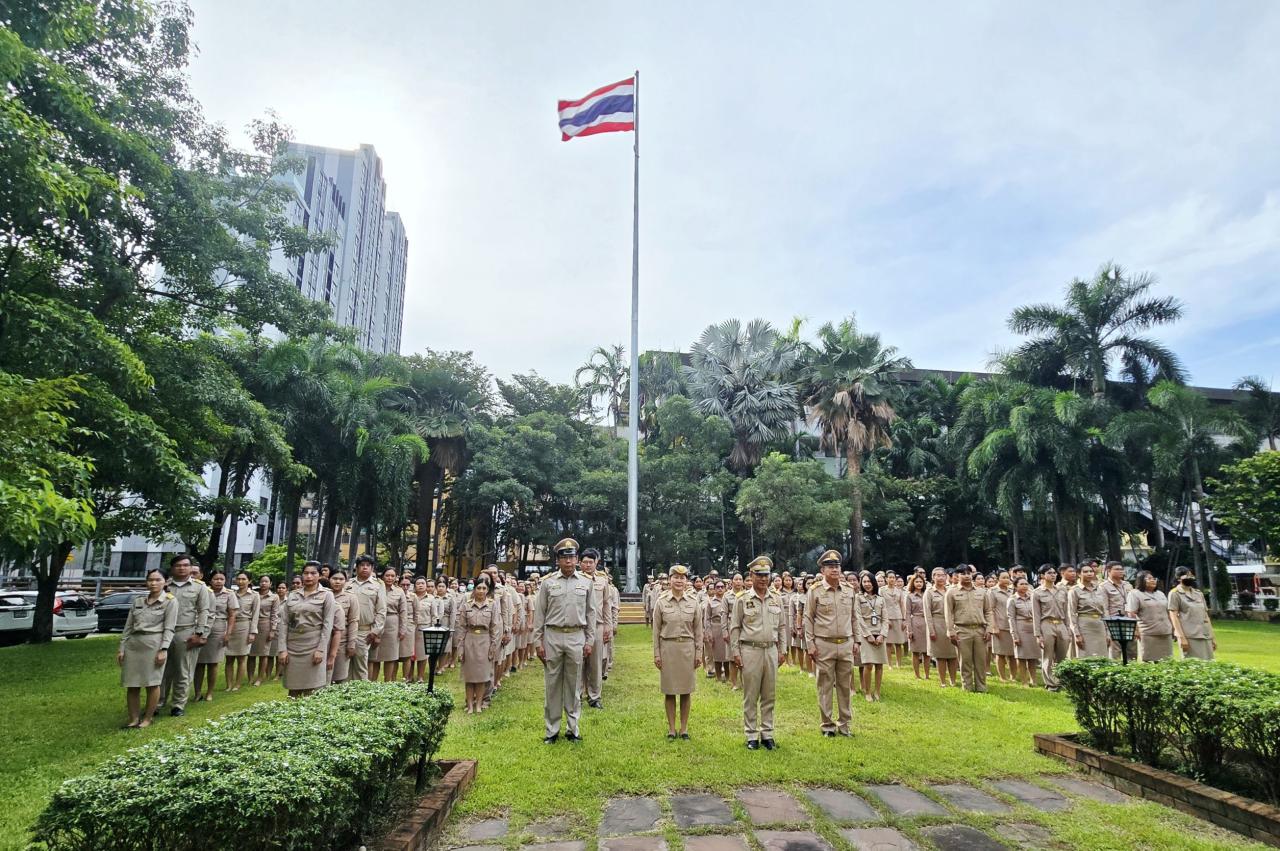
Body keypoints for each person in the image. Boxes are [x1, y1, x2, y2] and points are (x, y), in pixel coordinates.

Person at [533, 538, 595, 743]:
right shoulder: (548, 583)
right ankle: (552, 730)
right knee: (552, 684)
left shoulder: (586, 583)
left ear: (577, 560)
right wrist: (537, 642)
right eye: (564, 557)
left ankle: (572, 728)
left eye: (572, 557)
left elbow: (591, 614)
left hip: (576, 635)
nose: (568, 561)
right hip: (553, 635)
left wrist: (589, 641)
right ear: (558, 560)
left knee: (574, 684)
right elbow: (539, 615)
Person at [730, 557, 786, 750]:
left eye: (766, 575)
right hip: (750, 650)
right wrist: (736, 652)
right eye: (759, 575)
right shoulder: (742, 600)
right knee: (751, 695)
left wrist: (783, 650)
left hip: (770, 649)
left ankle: (767, 734)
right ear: (751, 576)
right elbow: (735, 627)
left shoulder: (777, 598)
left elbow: (783, 626)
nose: (763, 579)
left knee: (769, 695)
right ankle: (751, 735)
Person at [117, 568, 177, 728]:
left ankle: (148, 718)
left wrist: (164, 649)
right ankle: (133, 719)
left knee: (152, 683)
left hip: (154, 644)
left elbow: (169, 628)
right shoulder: (138, 601)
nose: (153, 583)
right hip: (134, 645)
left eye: (158, 580)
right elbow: (128, 627)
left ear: (166, 582)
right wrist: (122, 648)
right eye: (150, 580)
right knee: (132, 683)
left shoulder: (170, 601)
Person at [805, 549, 856, 737]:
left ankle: (844, 725)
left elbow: (854, 617)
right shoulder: (815, 591)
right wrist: (810, 643)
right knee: (825, 686)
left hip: (845, 643)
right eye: (830, 567)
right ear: (822, 569)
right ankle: (827, 725)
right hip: (823, 644)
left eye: (837, 566)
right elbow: (808, 618)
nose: (835, 570)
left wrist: (856, 640)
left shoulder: (849, 591)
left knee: (845, 686)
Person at [653, 565, 703, 739]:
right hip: (668, 649)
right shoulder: (661, 602)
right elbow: (656, 631)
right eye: (676, 577)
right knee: (669, 690)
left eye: (683, 578)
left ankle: (684, 729)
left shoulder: (693, 602)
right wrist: (657, 654)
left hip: (687, 650)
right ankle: (671, 729)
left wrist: (699, 653)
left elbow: (698, 631)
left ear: (686, 580)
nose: (679, 581)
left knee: (685, 690)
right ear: (670, 579)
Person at [159, 555, 211, 716]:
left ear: (190, 568)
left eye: (186, 565)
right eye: (178, 565)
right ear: (172, 568)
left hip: (186, 632)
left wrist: (200, 634)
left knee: (183, 670)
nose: (182, 568)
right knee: (161, 670)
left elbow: (204, 611)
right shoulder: (165, 585)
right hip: (163, 632)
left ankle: (178, 705)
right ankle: (158, 702)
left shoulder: (199, 587)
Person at [276, 561, 336, 698]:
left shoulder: (327, 595)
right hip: (293, 645)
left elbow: (328, 625)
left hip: (314, 645)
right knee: (293, 689)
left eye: (313, 573)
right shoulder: (293, 595)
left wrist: (321, 650)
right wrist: (282, 649)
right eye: (306, 573)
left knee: (312, 690)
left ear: (320, 576)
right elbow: (284, 623)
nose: (309, 576)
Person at [944, 567, 992, 693]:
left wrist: (990, 628)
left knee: (981, 660)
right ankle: (967, 687)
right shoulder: (952, 592)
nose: (966, 576)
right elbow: (948, 613)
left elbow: (988, 611)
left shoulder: (982, 592)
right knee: (965, 661)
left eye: (969, 573)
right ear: (957, 576)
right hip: (962, 630)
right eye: (963, 574)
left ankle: (981, 687)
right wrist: (951, 632)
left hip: (980, 630)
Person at [456, 576, 500, 713]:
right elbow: (461, 627)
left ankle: (479, 704)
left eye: (484, 588)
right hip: (470, 640)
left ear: (487, 590)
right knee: (469, 676)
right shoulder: (466, 605)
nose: (481, 591)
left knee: (482, 676)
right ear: (474, 589)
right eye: (478, 588)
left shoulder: (492, 605)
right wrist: (460, 648)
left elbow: (494, 628)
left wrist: (493, 647)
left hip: (485, 640)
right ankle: (469, 704)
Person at [194, 570, 238, 703]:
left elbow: (232, 615)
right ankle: (197, 692)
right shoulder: (204, 591)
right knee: (199, 663)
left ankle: (209, 692)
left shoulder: (229, 594)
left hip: (218, 628)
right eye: (216, 579)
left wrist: (228, 633)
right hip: (201, 627)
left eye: (222, 579)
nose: (219, 581)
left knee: (213, 663)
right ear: (210, 580)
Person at [579, 548, 609, 709]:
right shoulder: (575, 580)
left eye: (591, 562)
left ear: (596, 562)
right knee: (578, 662)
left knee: (595, 663)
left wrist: (608, 626)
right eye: (585, 562)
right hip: (579, 626)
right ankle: (577, 694)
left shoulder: (602, 581)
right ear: (580, 563)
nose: (588, 565)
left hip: (597, 625)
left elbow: (606, 605)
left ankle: (594, 696)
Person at [1032, 565, 1071, 690]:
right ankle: (1050, 683)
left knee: (1063, 656)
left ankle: (1061, 680)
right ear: (1043, 575)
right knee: (1048, 656)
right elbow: (1036, 615)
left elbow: (1066, 612)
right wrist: (1038, 635)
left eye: (1054, 573)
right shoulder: (1037, 592)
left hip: (1061, 623)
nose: (1053, 575)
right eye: (1049, 573)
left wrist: (1068, 629)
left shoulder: (1062, 590)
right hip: (1046, 624)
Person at [350, 554, 386, 681]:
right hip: (347, 629)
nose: (364, 568)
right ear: (356, 567)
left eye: (368, 566)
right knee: (345, 664)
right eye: (362, 565)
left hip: (364, 630)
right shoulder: (348, 584)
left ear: (372, 568)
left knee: (361, 663)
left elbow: (381, 611)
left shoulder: (378, 585)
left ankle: (361, 693)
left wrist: (375, 632)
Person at [1168, 566, 1216, 660]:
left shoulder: (1199, 593)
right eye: (1186, 575)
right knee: (1193, 664)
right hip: (1189, 635)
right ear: (1178, 578)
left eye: (1191, 575)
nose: (1190, 577)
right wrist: (1181, 637)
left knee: (1209, 664)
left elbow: (1206, 616)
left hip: (1205, 634)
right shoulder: (1175, 593)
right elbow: (1173, 616)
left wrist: (1212, 637)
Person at [1126, 570, 1174, 661]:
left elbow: (1167, 611)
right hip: (1148, 633)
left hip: (1165, 631)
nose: (1153, 580)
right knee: (1148, 659)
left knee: (1167, 660)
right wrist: (1136, 630)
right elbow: (1131, 613)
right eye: (1149, 578)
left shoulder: (1160, 593)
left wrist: (1172, 627)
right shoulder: (1135, 594)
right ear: (1141, 580)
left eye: (1154, 578)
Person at [855, 571, 887, 701]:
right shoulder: (858, 598)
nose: (867, 584)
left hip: (879, 634)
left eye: (869, 581)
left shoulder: (880, 599)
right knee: (868, 665)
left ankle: (877, 692)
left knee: (879, 665)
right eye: (864, 582)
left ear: (874, 583)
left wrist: (882, 635)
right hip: (865, 634)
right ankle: (867, 692)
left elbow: (885, 619)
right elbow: (858, 617)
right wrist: (868, 635)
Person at [224, 571, 259, 692]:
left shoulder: (254, 595)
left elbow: (255, 615)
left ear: (249, 581)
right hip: (230, 626)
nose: (240, 581)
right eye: (238, 579)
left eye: (244, 579)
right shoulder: (231, 594)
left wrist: (252, 632)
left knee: (241, 658)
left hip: (245, 626)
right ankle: (229, 684)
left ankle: (238, 684)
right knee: (228, 658)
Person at [923, 568, 958, 688]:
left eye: (943, 575)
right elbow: (927, 613)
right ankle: (943, 681)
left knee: (953, 655)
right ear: (933, 577)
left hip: (951, 624)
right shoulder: (929, 592)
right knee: (940, 656)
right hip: (937, 624)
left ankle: (953, 680)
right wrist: (931, 630)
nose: (941, 578)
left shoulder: (951, 590)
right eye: (938, 575)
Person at [373, 567, 408, 681]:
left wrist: (403, 629)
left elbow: (403, 611)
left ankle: (388, 681)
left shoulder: (399, 591)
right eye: (387, 575)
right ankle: (372, 682)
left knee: (390, 656)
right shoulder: (376, 588)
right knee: (375, 656)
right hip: (376, 623)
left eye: (392, 576)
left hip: (392, 623)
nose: (390, 578)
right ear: (382, 576)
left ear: (396, 577)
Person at [1068, 563, 1110, 658]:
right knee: (1086, 654)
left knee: (1102, 655)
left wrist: (1108, 632)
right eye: (1085, 572)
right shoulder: (1074, 590)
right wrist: (1077, 634)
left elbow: (1105, 611)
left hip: (1100, 624)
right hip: (1084, 624)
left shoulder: (1099, 589)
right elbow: (1071, 613)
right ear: (1079, 574)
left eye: (1091, 571)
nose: (1089, 573)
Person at [1007, 578, 1040, 686]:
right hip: (1020, 628)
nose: (1024, 586)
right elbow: (1011, 618)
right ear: (1016, 586)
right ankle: (1024, 681)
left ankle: (1033, 680)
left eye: (1026, 584)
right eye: (1021, 584)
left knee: (1033, 656)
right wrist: (1014, 635)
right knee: (1022, 657)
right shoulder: (1012, 599)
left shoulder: (1032, 598)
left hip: (1032, 627)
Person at [328, 570, 359, 684]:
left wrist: (351, 644)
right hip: (324, 640)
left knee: (339, 675)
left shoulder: (351, 598)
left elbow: (353, 621)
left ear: (345, 581)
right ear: (329, 579)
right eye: (334, 578)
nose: (337, 582)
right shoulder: (324, 595)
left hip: (342, 640)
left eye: (341, 579)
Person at [1101, 561, 1135, 662]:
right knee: (1115, 651)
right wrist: (1107, 627)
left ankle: (1132, 672)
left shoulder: (1128, 585)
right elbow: (1105, 608)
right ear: (1108, 571)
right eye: (1117, 569)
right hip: (1114, 622)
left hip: (1129, 621)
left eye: (1121, 569)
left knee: (1132, 650)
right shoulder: (1103, 586)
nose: (1120, 571)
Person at [987, 571, 1016, 683]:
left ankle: (1013, 676)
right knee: (1000, 653)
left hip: (1012, 626)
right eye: (1003, 577)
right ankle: (1002, 677)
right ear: (998, 579)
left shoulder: (1012, 590)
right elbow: (990, 610)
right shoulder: (992, 591)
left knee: (1013, 654)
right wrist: (994, 626)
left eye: (1008, 577)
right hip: (1000, 625)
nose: (1006, 580)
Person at [250, 574, 278, 686]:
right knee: (251, 654)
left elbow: (275, 614)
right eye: (262, 581)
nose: (263, 583)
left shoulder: (274, 597)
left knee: (263, 653)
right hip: (252, 624)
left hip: (265, 625)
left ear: (270, 584)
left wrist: (272, 630)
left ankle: (260, 678)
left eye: (266, 581)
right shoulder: (254, 594)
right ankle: (250, 677)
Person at [904, 574, 930, 680]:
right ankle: (917, 675)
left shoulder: (927, 594)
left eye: (921, 582)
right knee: (915, 651)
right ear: (913, 583)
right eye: (916, 582)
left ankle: (927, 675)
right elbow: (907, 613)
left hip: (927, 623)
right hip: (915, 623)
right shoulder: (909, 596)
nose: (919, 584)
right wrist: (909, 630)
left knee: (927, 652)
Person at [881, 572, 906, 669]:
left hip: (898, 616)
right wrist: (886, 619)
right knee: (888, 642)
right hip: (887, 617)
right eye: (890, 577)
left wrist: (904, 619)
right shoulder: (882, 590)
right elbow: (881, 605)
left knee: (899, 642)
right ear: (886, 579)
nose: (892, 579)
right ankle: (889, 664)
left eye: (893, 577)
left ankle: (899, 663)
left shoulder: (899, 591)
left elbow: (902, 605)